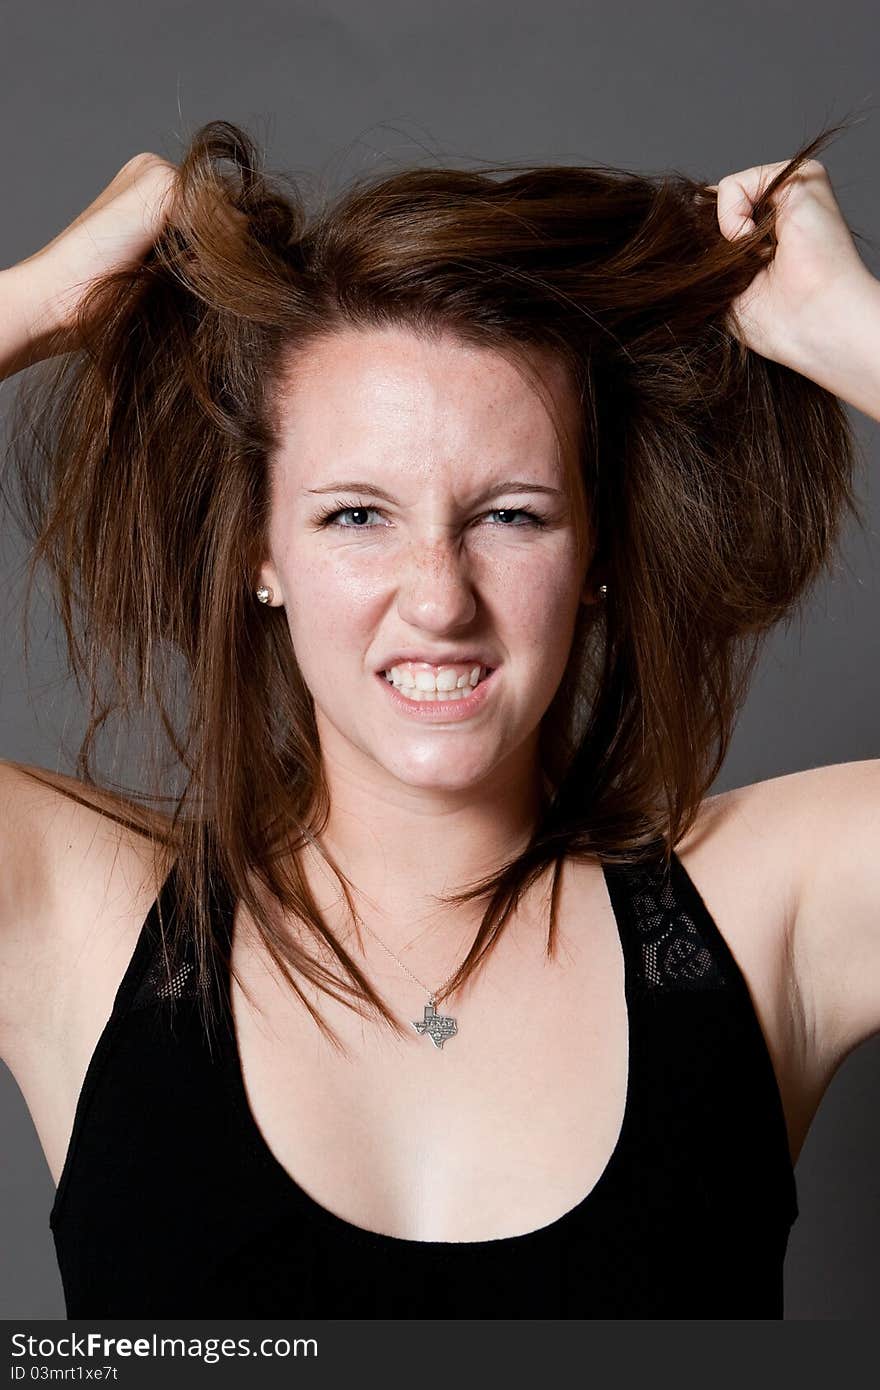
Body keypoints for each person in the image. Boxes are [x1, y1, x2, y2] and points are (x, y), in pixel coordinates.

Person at [0, 116, 878, 1319]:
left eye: (511, 515)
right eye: (356, 515)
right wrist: (38, 302)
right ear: (261, 552)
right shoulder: (79, 928)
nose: (438, 597)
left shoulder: (771, 913)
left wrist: (848, 331)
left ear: (595, 551)